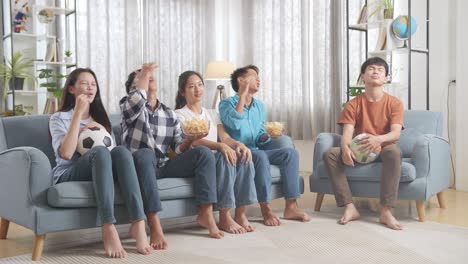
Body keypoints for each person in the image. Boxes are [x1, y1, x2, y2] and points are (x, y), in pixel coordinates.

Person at [49, 68, 152, 258]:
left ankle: (138, 222)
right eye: (84, 83)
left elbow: (113, 155)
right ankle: (108, 226)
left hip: (100, 164)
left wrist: (96, 128)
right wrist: (79, 118)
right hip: (69, 171)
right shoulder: (58, 118)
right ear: (71, 89)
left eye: (93, 84)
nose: (90, 87)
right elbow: (66, 153)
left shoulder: (101, 120)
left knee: (121, 151)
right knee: (100, 152)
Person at [120, 63, 224, 240]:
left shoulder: (169, 113)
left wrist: (190, 139)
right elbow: (136, 99)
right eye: (140, 77)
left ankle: (206, 213)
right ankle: (154, 224)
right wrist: (144, 74)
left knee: (203, 152)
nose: (147, 76)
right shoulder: (129, 107)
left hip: (163, 167)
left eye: (148, 75)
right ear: (132, 89)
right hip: (139, 167)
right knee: (146, 154)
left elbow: (178, 147)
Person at [219, 65, 310, 226]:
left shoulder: (259, 106)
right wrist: (243, 94)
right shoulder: (226, 104)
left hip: (256, 150)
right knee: (260, 156)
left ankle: (291, 207)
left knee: (290, 154)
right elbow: (235, 123)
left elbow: (260, 137)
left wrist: (267, 136)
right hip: (237, 152)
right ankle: (266, 209)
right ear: (241, 80)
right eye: (254, 76)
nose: (259, 79)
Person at [322, 57, 404, 230]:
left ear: (386, 78)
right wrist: (345, 148)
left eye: (380, 70)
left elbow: (395, 133)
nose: (375, 71)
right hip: (360, 149)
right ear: (362, 77)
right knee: (330, 154)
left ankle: (386, 211)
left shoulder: (395, 103)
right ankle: (349, 207)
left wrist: (378, 139)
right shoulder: (353, 104)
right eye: (371, 69)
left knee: (394, 152)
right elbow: (347, 134)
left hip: (384, 147)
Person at [175, 71, 257, 234]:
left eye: (199, 85)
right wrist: (220, 147)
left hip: (214, 155)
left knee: (244, 155)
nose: (197, 89)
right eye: (191, 86)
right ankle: (225, 216)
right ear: (182, 92)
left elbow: (224, 137)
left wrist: (238, 144)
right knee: (224, 156)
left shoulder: (212, 113)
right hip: (197, 158)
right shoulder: (179, 114)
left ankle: (240, 214)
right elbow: (193, 141)